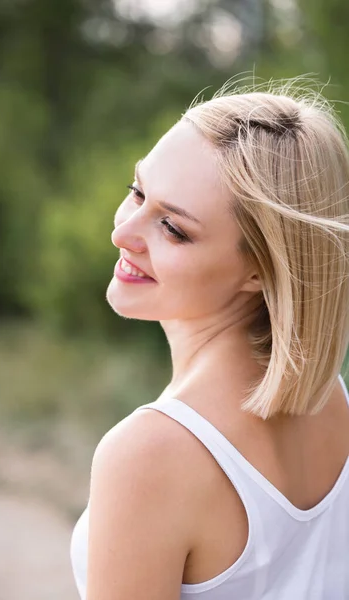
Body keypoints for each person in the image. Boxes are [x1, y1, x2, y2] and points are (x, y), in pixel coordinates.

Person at [70, 81, 349, 599]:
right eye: (137, 192)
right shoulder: (332, 397)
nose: (124, 232)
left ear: (261, 271)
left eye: (173, 227)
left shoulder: (149, 455)